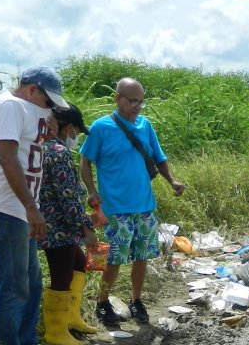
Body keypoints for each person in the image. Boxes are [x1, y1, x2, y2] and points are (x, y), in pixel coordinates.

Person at [0, 66, 70, 345]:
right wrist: (32, 208)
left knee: (30, 284)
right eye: (47, 100)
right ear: (32, 90)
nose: (49, 107)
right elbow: (7, 158)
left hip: (22, 212)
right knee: (13, 288)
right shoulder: (9, 105)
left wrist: (50, 128)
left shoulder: (28, 112)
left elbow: (29, 148)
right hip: (8, 210)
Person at [79, 77, 185, 326]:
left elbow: (159, 158)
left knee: (142, 255)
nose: (138, 106)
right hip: (115, 207)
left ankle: (136, 301)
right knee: (113, 257)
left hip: (144, 206)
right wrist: (92, 190)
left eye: (141, 102)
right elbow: (85, 160)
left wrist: (172, 181)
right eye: (132, 101)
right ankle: (102, 303)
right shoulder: (101, 127)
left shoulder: (145, 125)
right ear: (118, 99)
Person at [38, 104, 97, 345]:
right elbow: (68, 197)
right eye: (76, 130)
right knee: (61, 276)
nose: (76, 136)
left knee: (79, 264)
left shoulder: (43, 149)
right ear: (68, 127)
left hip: (55, 222)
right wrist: (87, 228)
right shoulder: (59, 152)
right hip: (58, 227)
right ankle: (56, 331)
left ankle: (71, 317)